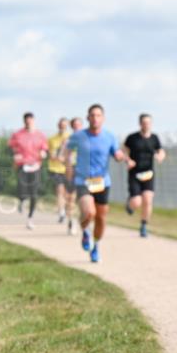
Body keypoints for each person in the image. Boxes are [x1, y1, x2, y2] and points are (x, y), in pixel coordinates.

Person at [64, 104, 125, 262]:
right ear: (87, 118)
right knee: (89, 212)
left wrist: (120, 156)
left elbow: (116, 151)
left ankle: (96, 245)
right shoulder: (79, 136)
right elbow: (67, 150)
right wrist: (68, 167)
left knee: (101, 218)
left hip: (102, 182)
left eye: (98, 115)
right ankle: (85, 233)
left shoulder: (109, 136)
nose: (95, 118)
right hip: (83, 180)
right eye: (92, 115)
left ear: (103, 118)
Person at [123, 113, 165, 237]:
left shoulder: (154, 138)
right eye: (144, 122)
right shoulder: (132, 138)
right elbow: (123, 151)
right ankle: (130, 204)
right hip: (134, 174)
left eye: (148, 122)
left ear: (151, 124)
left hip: (148, 173)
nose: (146, 125)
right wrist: (128, 160)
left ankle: (144, 225)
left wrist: (160, 156)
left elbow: (161, 150)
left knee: (148, 199)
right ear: (140, 123)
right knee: (137, 202)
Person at [8, 112, 49, 230]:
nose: (28, 122)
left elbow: (45, 149)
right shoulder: (18, 134)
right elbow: (10, 147)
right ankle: (21, 200)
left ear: (33, 120)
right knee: (22, 188)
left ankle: (30, 218)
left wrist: (44, 153)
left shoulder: (40, 135)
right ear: (24, 121)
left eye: (30, 120)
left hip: (35, 165)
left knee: (34, 193)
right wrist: (15, 154)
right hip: (22, 165)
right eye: (26, 120)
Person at [47, 117, 75, 233]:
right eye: (60, 125)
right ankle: (61, 212)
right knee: (59, 190)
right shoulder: (52, 139)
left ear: (67, 126)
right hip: (56, 168)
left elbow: (74, 153)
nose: (62, 127)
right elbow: (51, 154)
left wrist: (66, 157)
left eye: (64, 125)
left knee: (69, 196)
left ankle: (70, 217)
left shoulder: (72, 138)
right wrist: (58, 157)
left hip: (69, 169)